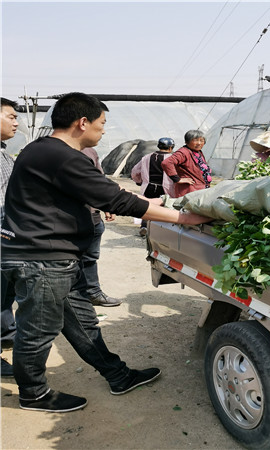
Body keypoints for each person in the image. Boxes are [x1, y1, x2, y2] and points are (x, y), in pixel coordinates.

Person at [0, 92, 210, 413]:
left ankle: (117, 375)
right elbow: (116, 201)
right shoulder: (63, 157)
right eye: (101, 124)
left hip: (52, 258)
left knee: (83, 322)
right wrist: (185, 217)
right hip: (43, 260)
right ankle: (34, 394)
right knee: (38, 330)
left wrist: (156, 203)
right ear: (82, 123)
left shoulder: (40, 150)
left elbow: (105, 192)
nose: (104, 131)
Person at [80, 147, 121, 307]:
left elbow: (100, 182)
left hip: (93, 217)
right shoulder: (58, 151)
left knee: (90, 258)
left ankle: (92, 293)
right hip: (72, 220)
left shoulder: (90, 151)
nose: (103, 131)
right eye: (100, 124)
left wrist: (107, 206)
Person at [0, 97, 19, 378]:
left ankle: (6, 333)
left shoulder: (4, 152)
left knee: (5, 292)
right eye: (11, 116)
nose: (16, 122)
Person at [131, 137, 175, 237]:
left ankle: (144, 226)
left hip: (149, 187)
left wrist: (139, 181)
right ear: (170, 147)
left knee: (147, 207)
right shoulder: (172, 159)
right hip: (165, 188)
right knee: (164, 207)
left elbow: (135, 171)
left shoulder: (147, 157)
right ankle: (161, 229)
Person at [161, 129, 212, 198]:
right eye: (195, 140)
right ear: (187, 142)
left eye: (201, 140)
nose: (199, 143)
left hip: (200, 189)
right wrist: (177, 179)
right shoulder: (183, 152)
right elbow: (167, 163)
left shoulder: (198, 152)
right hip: (190, 191)